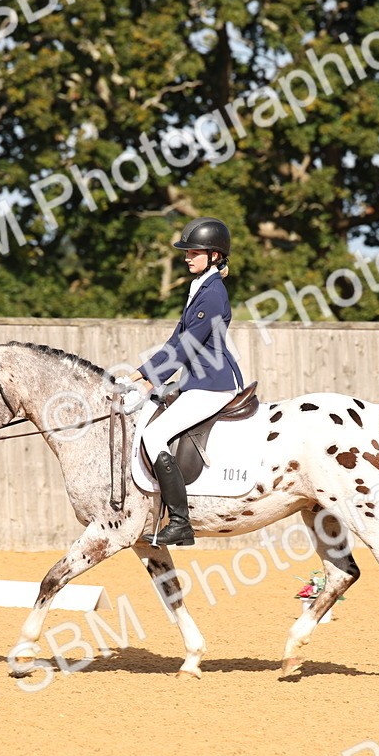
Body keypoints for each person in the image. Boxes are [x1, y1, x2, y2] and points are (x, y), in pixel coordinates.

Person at [128, 217, 245, 546]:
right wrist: (137, 375)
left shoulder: (211, 293)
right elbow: (174, 343)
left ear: (214, 255)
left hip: (214, 383)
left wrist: (149, 382)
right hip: (198, 380)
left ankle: (180, 522)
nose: (186, 256)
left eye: (194, 251)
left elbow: (188, 347)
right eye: (187, 251)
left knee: (153, 435)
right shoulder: (202, 287)